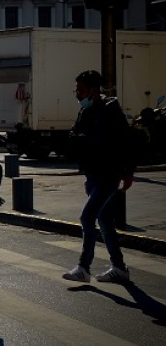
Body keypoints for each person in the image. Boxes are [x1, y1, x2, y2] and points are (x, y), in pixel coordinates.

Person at [62, 69, 135, 283]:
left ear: (93, 91)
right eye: (76, 90)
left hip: (108, 174)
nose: (77, 94)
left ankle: (84, 267)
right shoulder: (85, 111)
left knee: (87, 217)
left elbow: (125, 142)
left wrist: (128, 172)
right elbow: (75, 135)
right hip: (93, 173)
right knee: (104, 220)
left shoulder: (110, 110)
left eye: (81, 90)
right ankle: (119, 268)